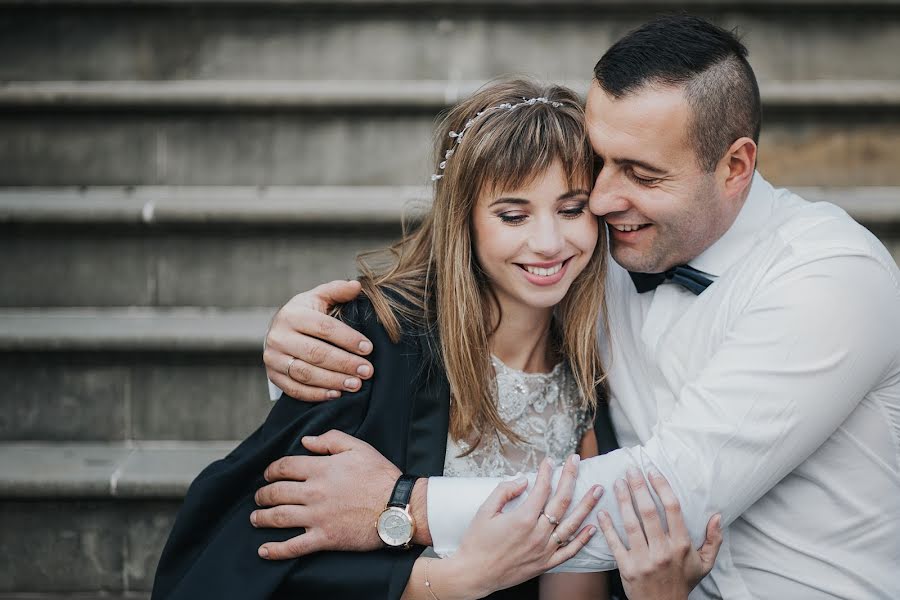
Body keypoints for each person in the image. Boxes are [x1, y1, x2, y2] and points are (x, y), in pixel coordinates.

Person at [256, 15, 900, 599]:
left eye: (641, 174)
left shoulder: (832, 277)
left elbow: (667, 494)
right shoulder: (597, 257)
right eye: (600, 162)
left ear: (734, 167)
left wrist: (404, 504)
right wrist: (300, 335)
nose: (600, 199)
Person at [152, 78, 721, 600]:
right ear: (465, 221)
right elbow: (257, 548)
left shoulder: (586, 379)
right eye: (513, 215)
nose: (549, 242)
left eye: (571, 209)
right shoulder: (374, 342)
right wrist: (448, 581)